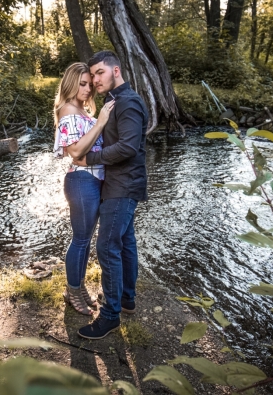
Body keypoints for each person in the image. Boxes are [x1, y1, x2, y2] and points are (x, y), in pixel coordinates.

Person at [72, 51, 149, 339]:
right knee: (126, 242)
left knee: (107, 247)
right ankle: (126, 300)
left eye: (99, 73)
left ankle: (110, 316)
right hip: (120, 183)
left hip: (123, 185)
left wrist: (89, 160)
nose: (94, 79)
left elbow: (128, 148)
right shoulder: (113, 101)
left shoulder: (128, 102)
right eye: (92, 75)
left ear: (116, 71)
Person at [53, 62, 115, 316]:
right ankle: (72, 291)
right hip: (81, 180)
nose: (88, 89)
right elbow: (76, 151)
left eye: (90, 84)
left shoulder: (82, 112)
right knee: (80, 240)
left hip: (94, 181)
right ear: (70, 83)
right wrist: (100, 123)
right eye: (82, 84)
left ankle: (77, 289)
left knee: (85, 239)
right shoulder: (67, 109)